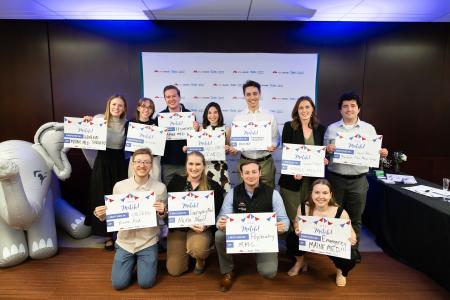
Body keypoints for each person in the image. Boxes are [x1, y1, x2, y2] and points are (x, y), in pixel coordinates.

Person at [324, 92, 388, 262]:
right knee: (335, 217)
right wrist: (327, 151)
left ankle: (352, 253)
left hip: (359, 180)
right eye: (345, 106)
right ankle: (335, 253)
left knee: (355, 218)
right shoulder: (332, 129)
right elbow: (323, 155)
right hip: (335, 179)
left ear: (358, 109)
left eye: (353, 106)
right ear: (340, 109)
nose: (349, 109)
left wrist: (382, 153)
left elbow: (374, 153)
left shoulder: (369, 129)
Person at [93, 148, 167, 290]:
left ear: (151, 165)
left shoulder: (160, 188)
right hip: (125, 242)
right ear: (132, 164)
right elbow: (115, 214)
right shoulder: (120, 186)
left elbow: (162, 216)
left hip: (148, 241)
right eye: (138, 162)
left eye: (146, 162)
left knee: (146, 283)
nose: (142, 165)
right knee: (118, 284)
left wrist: (163, 211)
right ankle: (132, 262)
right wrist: (102, 214)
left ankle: (143, 262)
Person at [215, 161, 290, 292]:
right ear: (242, 175)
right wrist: (221, 223)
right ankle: (228, 270)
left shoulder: (273, 194)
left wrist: (282, 227)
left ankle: (258, 254)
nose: (251, 176)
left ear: (260, 173)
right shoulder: (233, 193)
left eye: (254, 172)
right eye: (247, 172)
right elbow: (222, 217)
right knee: (219, 235)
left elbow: (284, 220)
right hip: (241, 236)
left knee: (269, 272)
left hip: (263, 239)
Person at [286, 179, 357, 287]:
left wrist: (352, 238)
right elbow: (296, 222)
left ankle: (341, 271)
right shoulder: (304, 207)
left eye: (325, 193)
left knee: (351, 257)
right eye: (317, 192)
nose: (321, 196)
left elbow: (351, 232)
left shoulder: (340, 212)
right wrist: (297, 228)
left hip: (331, 245)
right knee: (291, 239)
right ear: (311, 193)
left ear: (330, 195)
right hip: (311, 240)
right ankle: (300, 262)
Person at [166, 151, 224, 276]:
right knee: (174, 270)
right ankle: (185, 253)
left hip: (200, 229)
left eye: (198, 164)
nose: (194, 168)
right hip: (179, 229)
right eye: (190, 164)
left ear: (204, 166)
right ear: (186, 165)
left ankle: (200, 259)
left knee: (198, 249)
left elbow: (218, 213)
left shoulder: (213, 186)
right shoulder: (175, 182)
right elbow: (168, 212)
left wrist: (206, 226)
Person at [83, 94, 128, 250]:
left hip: (120, 164)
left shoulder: (127, 124)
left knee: (119, 198)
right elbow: (86, 136)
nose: (116, 108)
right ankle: (108, 236)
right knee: (102, 197)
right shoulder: (98, 119)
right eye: (114, 104)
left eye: (120, 105)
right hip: (102, 163)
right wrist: (87, 123)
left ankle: (120, 233)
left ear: (124, 108)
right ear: (108, 105)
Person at [278, 96, 326, 231]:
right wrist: (294, 170)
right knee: (294, 217)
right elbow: (287, 152)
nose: (304, 110)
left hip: (312, 181)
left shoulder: (321, 129)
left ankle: (307, 247)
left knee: (310, 216)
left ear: (313, 109)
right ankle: (293, 248)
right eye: (301, 107)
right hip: (292, 180)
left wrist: (323, 159)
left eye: (307, 107)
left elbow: (321, 151)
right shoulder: (289, 126)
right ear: (296, 110)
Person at [229, 80, 280, 188]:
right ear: (244, 96)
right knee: (245, 197)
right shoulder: (238, 118)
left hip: (265, 164)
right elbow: (234, 143)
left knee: (267, 196)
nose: (252, 97)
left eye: (255, 93)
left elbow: (276, 138)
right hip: (245, 162)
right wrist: (233, 148)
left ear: (260, 94)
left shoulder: (269, 116)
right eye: (248, 94)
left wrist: (274, 145)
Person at [156, 85, 199, 185]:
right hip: (167, 163)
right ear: (165, 99)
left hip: (187, 162)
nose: (171, 99)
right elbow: (156, 143)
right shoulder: (160, 117)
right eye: (168, 97)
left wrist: (196, 131)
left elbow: (195, 140)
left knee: (187, 191)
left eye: (174, 96)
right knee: (169, 192)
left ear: (179, 97)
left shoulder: (190, 115)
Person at [126, 97, 161, 181]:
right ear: (138, 108)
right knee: (135, 185)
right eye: (143, 106)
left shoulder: (157, 123)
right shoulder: (130, 123)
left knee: (154, 185)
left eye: (150, 107)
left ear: (152, 110)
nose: (146, 109)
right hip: (136, 160)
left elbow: (160, 144)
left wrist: (156, 133)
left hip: (153, 161)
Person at [201, 102, 232, 192]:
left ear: (219, 114)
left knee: (223, 195)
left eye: (215, 112)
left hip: (221, 168)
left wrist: (227, 149)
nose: (212, 115)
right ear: (206, 115)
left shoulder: (226, 129)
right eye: (209, 113)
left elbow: (228, 151)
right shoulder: (202, 129)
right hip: (206, 168)